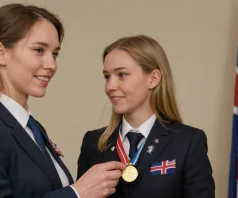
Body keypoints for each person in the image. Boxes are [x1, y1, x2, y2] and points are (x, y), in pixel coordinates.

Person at [0, 3, 125, 198]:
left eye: (55, 54)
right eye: (39, 50)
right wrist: (77, 193)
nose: (51, 65)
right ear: (0, 53)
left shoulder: (30, 128)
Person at [77, 35, 215, 198]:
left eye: (121, 74)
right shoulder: (93, 142)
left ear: (153, 79)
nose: (110, 86)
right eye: (107, 76)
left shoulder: (188, 142)